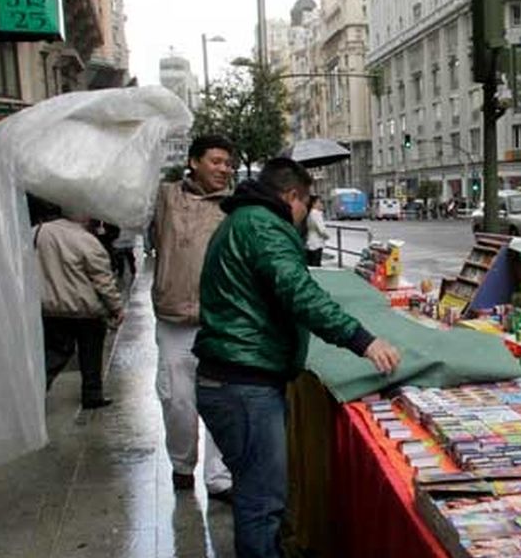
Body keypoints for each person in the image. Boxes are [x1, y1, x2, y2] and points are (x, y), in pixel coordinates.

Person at [194, 157, 401, 558]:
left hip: (235, 379)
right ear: (292, 197)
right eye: (307, 204)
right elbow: (298, 291)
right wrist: (364, 341)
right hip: (244, 385)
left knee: (258, 493)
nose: (307, 214)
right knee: (261, 501)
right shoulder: (264, 225)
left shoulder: (243, 220)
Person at [151, 134, 234, 499]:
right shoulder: (166, 198)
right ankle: (182, 466)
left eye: (228, 163)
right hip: (174, 321)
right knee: (178, 401)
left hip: (220, 323)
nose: (223, 169)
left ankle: (220, 478)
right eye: (215, 161)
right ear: (194, 162)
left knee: (223, 402)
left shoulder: (234, 207)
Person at [34, 213, 124, 409]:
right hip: (86, 310)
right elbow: (103, 280)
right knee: (91, 353)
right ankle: (92, 395)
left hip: (50, 307)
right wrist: (116, 307)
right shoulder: (86, 240)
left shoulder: (39, 232)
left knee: (55, 352)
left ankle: (34, 392)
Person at [305, 195, 329, 267]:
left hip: (309, 242)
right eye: (319, 202)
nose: (321, 204)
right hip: (316, 243)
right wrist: (327, 236)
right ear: (314, 204)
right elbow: (322, 230)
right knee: (316, 265)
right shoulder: (316, 213)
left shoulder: (309, 213)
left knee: (310, 264)